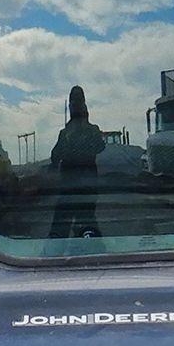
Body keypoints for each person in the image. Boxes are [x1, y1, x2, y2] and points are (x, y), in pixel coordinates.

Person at [49, 85, 105, 237]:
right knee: (86, 225)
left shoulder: (66, 133)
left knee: (60, 232)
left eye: (75, 103)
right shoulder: (90, 130)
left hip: (71, 189)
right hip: (85, 188)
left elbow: (55, 157)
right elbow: (100, 147)